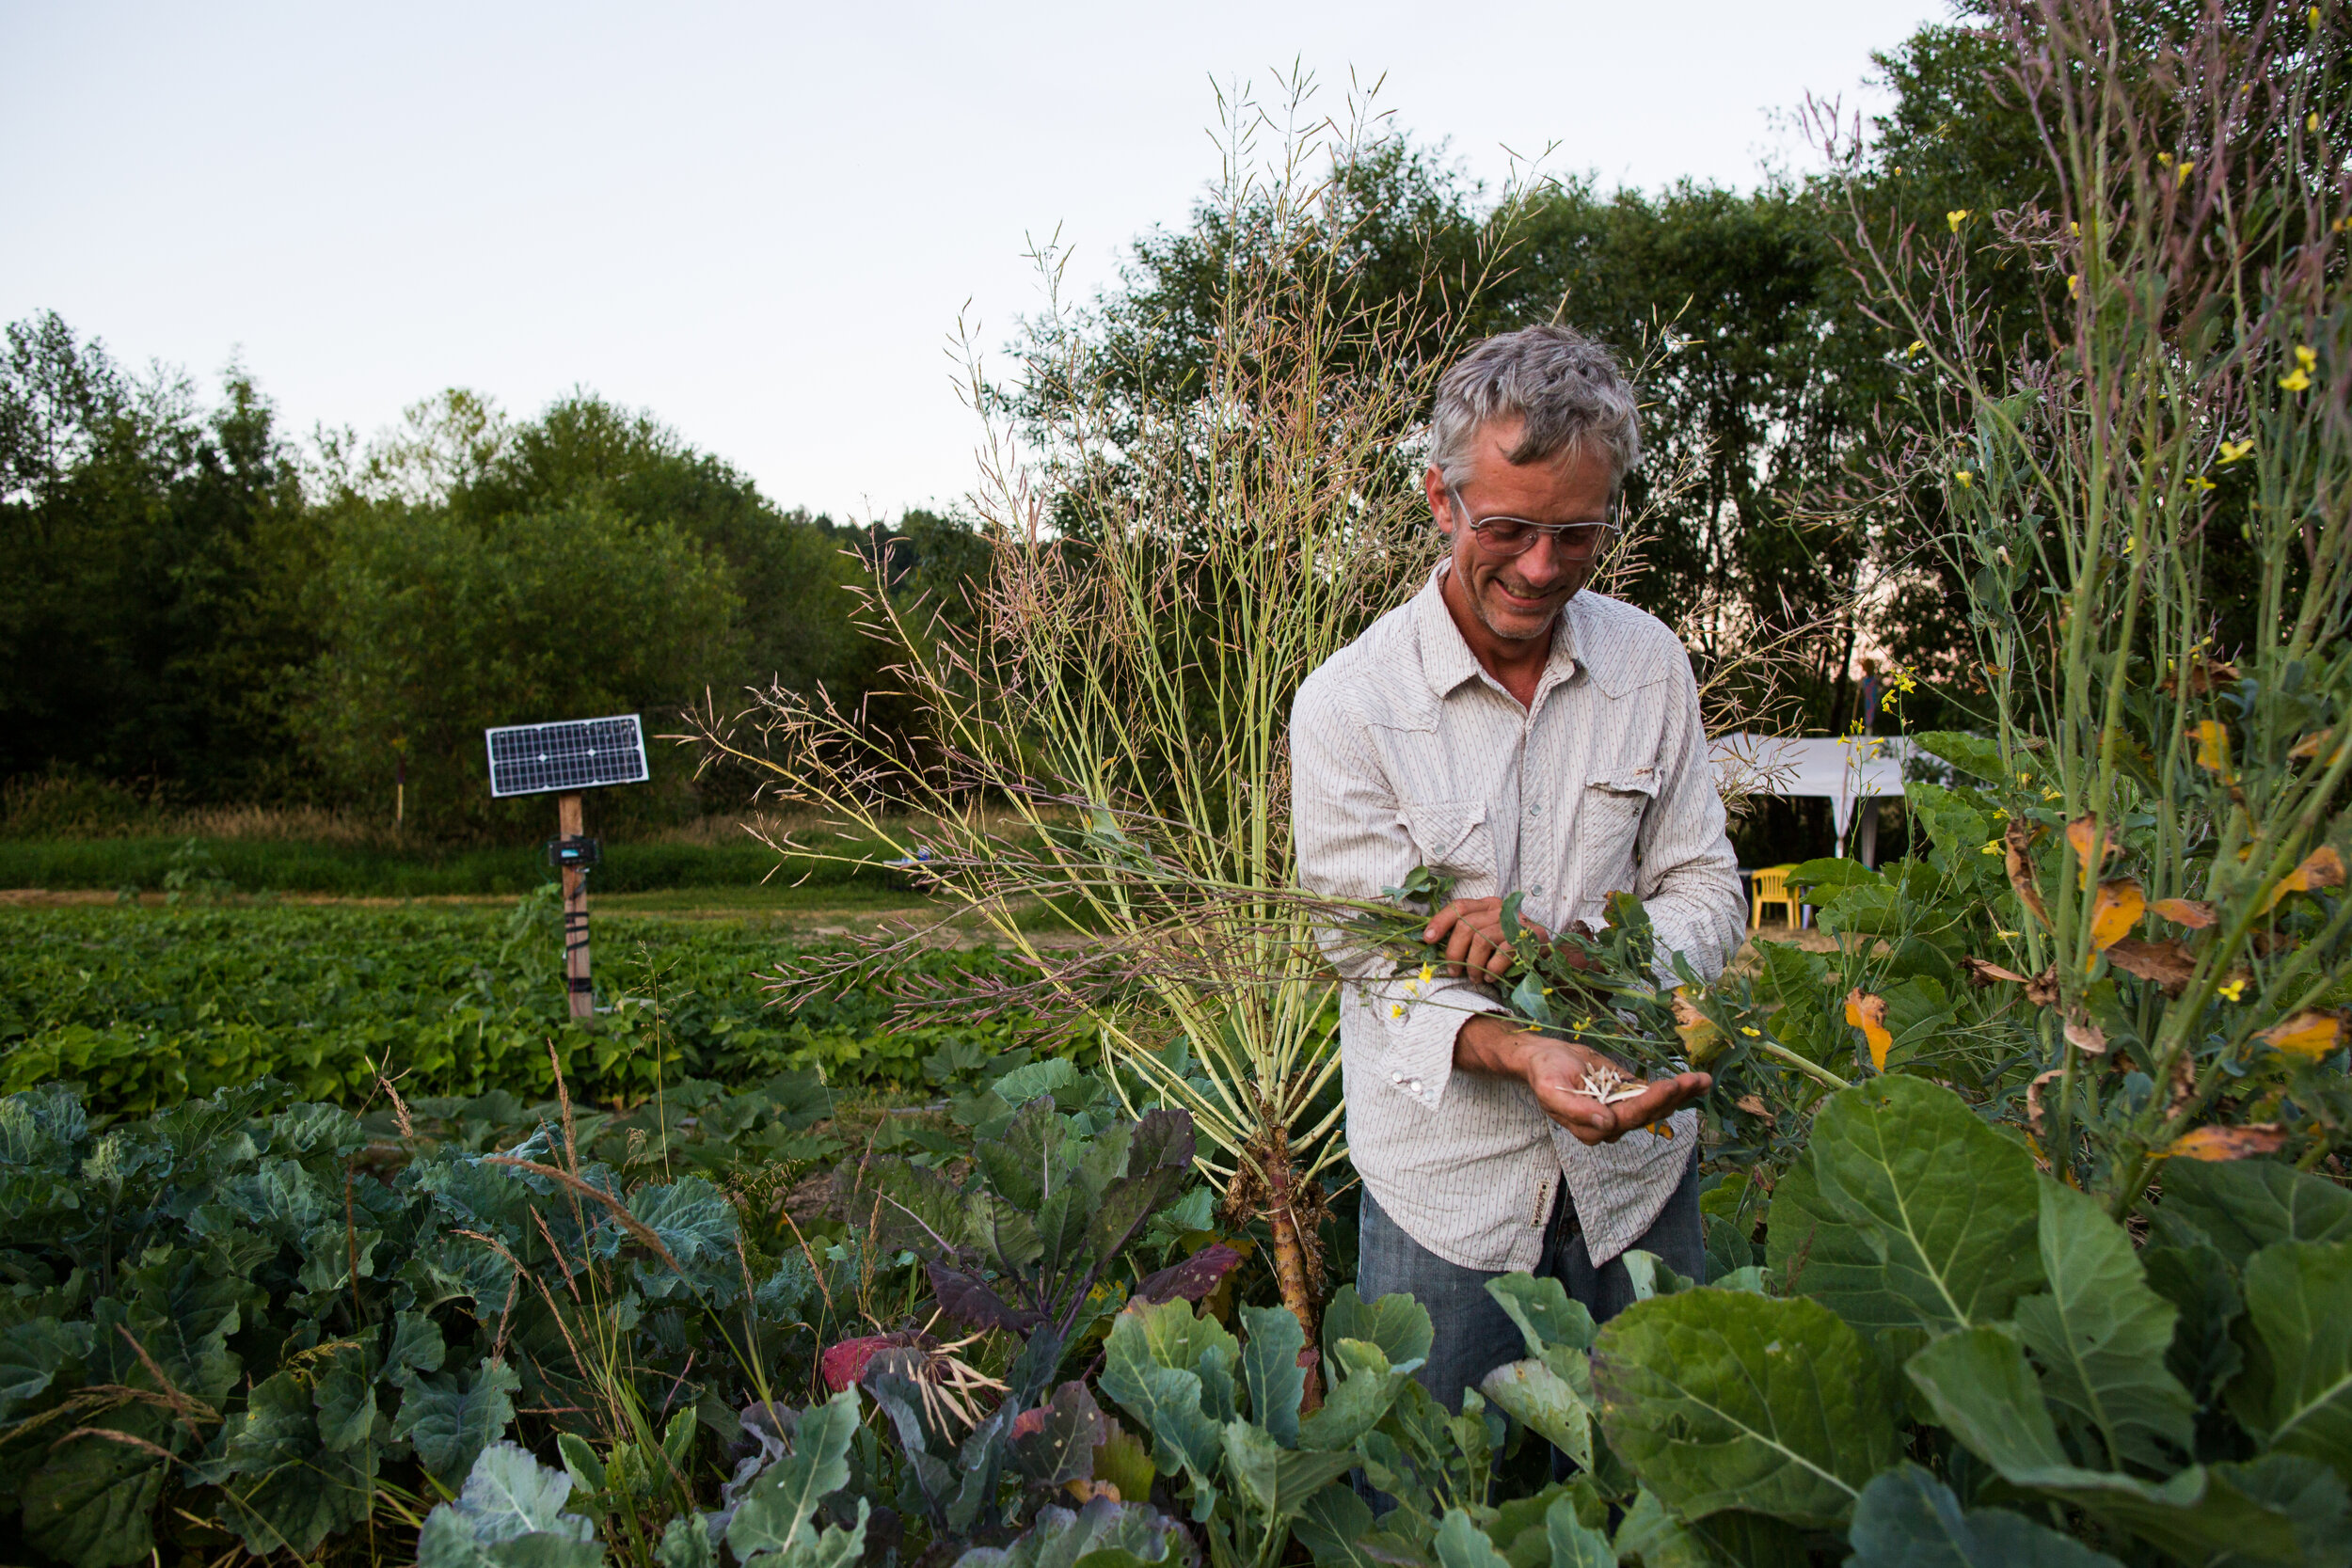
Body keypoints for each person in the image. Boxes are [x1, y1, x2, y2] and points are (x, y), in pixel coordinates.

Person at [1291, 324, 1747, 1411]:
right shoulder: (1349, 703)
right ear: (1441, 502)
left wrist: (1582, 953)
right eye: (1506, 528)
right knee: (1434, 1506)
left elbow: (1704, 887)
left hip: (1638, 1172)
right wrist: (1527, 1048)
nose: (1540, 568)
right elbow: (1365, 950)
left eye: (1575, 534)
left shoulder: (1649, 665)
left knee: (1658, 1487)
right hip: (1446, 1194)